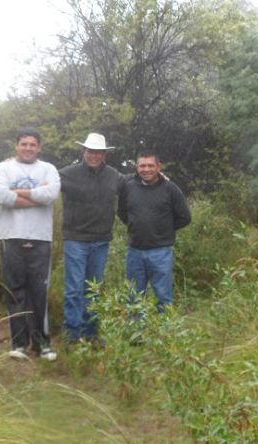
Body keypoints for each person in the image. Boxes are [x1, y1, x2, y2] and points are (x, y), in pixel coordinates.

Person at [0, 127, 61, 361]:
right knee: (15, 291)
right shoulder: (3, 168)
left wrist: (17, 193)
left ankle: (42, 345)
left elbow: (50, 195)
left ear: (39, 147)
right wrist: (34, 197)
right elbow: (0, 195)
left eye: (33, 144)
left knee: (39, 292)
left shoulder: (48, 169)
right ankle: (19, 343)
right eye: (24, 144)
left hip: (40, 238)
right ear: (16, 146)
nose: (28, 148)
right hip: (10, 236)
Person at [59, 132, 122, 343]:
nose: (94, 155)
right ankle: (72, 335)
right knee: (74, 289)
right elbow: (43, 177)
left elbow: (135, 185)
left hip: (101, 241)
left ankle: (91, 334)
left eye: (98, 152)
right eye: (90, 151)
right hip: (75, 239)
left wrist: (161, 178)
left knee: (93, 289)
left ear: (104, 154)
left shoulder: (114, 176)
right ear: (83, 152)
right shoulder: (67, 173)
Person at [117, 151, 191, 310]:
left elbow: (185, 217)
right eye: (142, 165)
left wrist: (163, 229)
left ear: (159, 167)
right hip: (134, 251)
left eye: (150, 165)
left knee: (162, 295)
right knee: (133, 295)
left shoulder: (170, 189)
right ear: (137, 168)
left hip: (161, 251)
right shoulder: (128, 188)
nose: (146, 169)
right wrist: (135, 226)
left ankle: (163, 333)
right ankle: (135, 331)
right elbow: (122, 212)